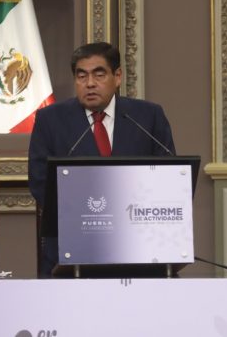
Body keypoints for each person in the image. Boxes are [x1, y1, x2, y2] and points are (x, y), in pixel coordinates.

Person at [29, 41, 176, 276]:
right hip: (73, 243)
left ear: (117, 77)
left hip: (139, 242)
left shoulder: (148, 117)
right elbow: (40, 182)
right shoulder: (51, 120)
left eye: (99, 75)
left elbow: (168, 178)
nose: (90, 83)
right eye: (81, 76)